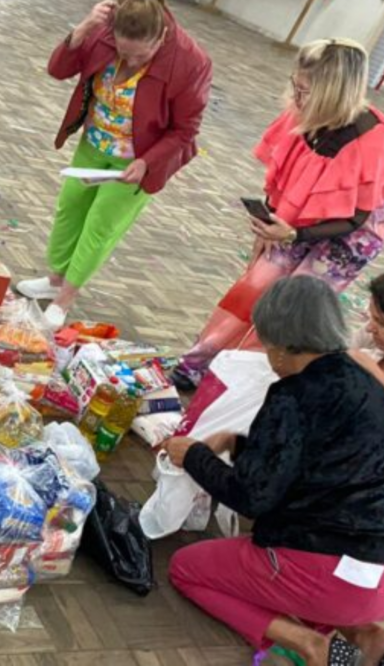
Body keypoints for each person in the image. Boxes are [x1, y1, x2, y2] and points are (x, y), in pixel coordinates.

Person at [164, 276, 384, 666]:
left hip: (324, 569)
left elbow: (254, 498)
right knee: (329, 586)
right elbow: (320, 462)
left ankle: (309, 643)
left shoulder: (293, 396)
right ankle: (363, 630)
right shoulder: (366, 381)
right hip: (375, 575)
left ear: (281, 347)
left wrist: (195, 456)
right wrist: (236, 442)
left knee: (186, 568)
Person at [172, 39, 384, 390]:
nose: (297, 100)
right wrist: (267, 226)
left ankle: (242, 383)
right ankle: (198, 360)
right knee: (255, 284)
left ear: (333, 94)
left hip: (349, 234)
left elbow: (356, 217)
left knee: (293, 307)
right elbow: (281, 177)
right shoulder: (301, 112)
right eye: (296, 87)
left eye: (306, 93)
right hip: (295, 219)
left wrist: (293, 236)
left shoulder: (372, 139)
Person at [16, 0, 212, 327]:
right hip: (95, 142)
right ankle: (55, 280)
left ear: (161, 37)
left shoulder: (190, 61)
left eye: (140, 56)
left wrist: (148, 162)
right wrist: (83, 29)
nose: (130, 61)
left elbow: (186, 129)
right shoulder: (103, 30)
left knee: (100, 225)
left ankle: (65, 298)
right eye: (123, 51)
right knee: (70, 207)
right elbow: (57, 69)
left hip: (137, 159)